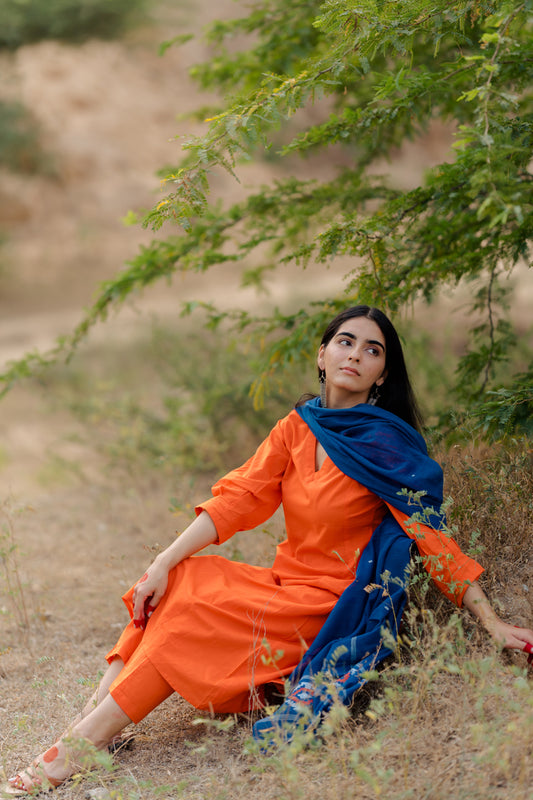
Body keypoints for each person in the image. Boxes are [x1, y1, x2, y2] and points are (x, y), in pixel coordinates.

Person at [6, 305, 533, 794]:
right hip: (282, 585)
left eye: (372, 350)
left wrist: (489, 620)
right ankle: (95, 724)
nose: (355, 354)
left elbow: (431, 536)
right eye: (345, 342)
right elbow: (237, 501)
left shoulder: (387, 445)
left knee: (189, 618)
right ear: (321, 357)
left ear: (382, 376)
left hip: (329, 608)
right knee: (181, 582)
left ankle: (77, 747)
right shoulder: (296, 428)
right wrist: (162, 561)